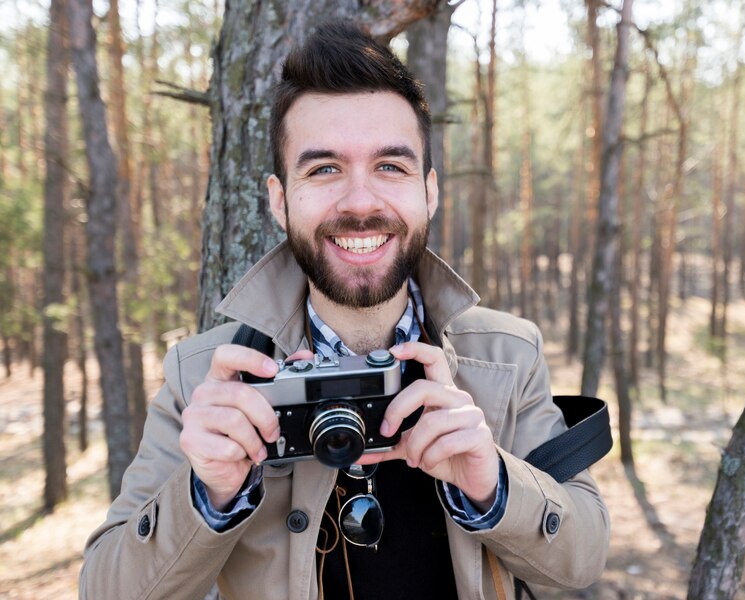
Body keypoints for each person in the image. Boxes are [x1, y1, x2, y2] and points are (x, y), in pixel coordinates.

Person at [79, 21, 609, 600]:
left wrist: (494, 485)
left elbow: (581, 561)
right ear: (281, 202)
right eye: (325, 169)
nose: (360, 202)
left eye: (390, 166)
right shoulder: (204, 377)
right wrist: (206, 495)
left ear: (429, 191)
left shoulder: (507, 356)